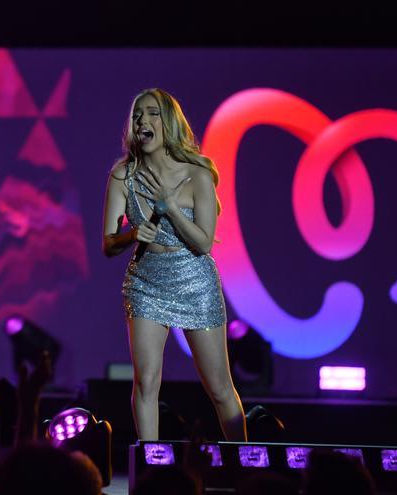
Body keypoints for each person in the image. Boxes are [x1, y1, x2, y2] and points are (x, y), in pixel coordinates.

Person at [101, 88, 246, 441]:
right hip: (146, 281)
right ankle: (150, 465)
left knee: (219, 387)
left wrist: (168, 206)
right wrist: (133, 234)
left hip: (194, 282)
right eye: (137, 115)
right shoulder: (123, 176)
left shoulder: (197, 175)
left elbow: (202, 242)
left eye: (151, 113)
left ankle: (245, 465)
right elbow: (108, 244)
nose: (142, 121)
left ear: (167, 123)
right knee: (146, 380)